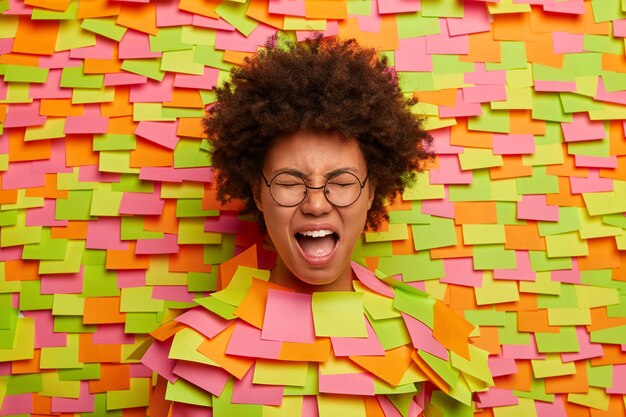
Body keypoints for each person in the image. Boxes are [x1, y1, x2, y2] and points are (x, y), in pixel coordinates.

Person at [142, 34, 493, 417]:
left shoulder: (432, 339)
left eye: (341, 183)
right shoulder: (192, 348)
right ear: (258, 194)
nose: (315, 203)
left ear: (371, 192)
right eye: (290, 183)